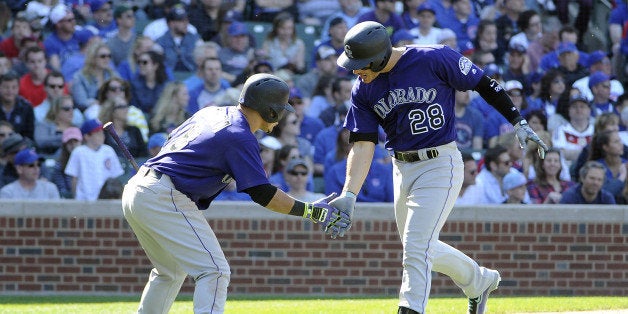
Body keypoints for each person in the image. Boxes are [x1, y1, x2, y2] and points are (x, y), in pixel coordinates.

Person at [331, 21, 547, 314]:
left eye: (361, 64)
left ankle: (410, 309)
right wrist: (349, 192)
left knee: (416, 248)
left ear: (381, 55)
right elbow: (363, 144)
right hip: (401, 168)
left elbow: (484, 83)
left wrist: (517, 120)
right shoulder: (363, 89)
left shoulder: (433, 57)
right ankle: (478, 280)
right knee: (418, 247)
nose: (356, 70)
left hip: (439, 162)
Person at [121, 73, 349, 313]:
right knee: (215, 271)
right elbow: (263, 193)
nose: (281, 115)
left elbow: (171, 140)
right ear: (270, 110)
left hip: (140, 187)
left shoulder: (212, 112)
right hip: (163, 194)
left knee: (170, 272)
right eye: (280, 110)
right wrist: (313, 212)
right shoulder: (239, 134)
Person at [64, 119, 124, 201]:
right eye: (97, 133)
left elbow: (115, 177)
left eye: (102, 132)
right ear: (87, 136)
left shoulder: (108, 150)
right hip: (84, 200)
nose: (102, 135)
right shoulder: (78, 152)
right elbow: (74, 179)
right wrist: (76, 199)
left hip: (106, 200)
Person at [51, 127, 83, 198]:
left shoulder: (88, 161)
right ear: (65, 146)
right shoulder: (59, 166)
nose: (73, 145)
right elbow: (63, 191)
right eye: (70, 142)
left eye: (76, 141)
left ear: (81, 142)